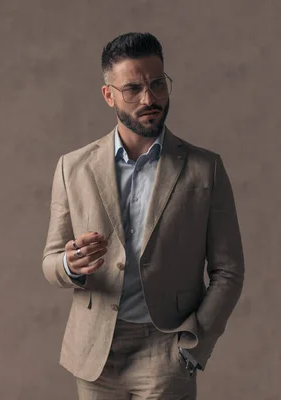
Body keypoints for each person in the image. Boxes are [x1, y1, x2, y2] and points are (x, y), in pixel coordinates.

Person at [41, 32, 245, 399]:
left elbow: (228, 270)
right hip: (95, 351)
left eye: (157, 84)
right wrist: (70, 264)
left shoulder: (205, 169)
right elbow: (51, 261)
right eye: (133, 88)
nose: (149, 98)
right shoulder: (72, 168)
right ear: (109, 95)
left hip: (166, 347)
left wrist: (195, 342)